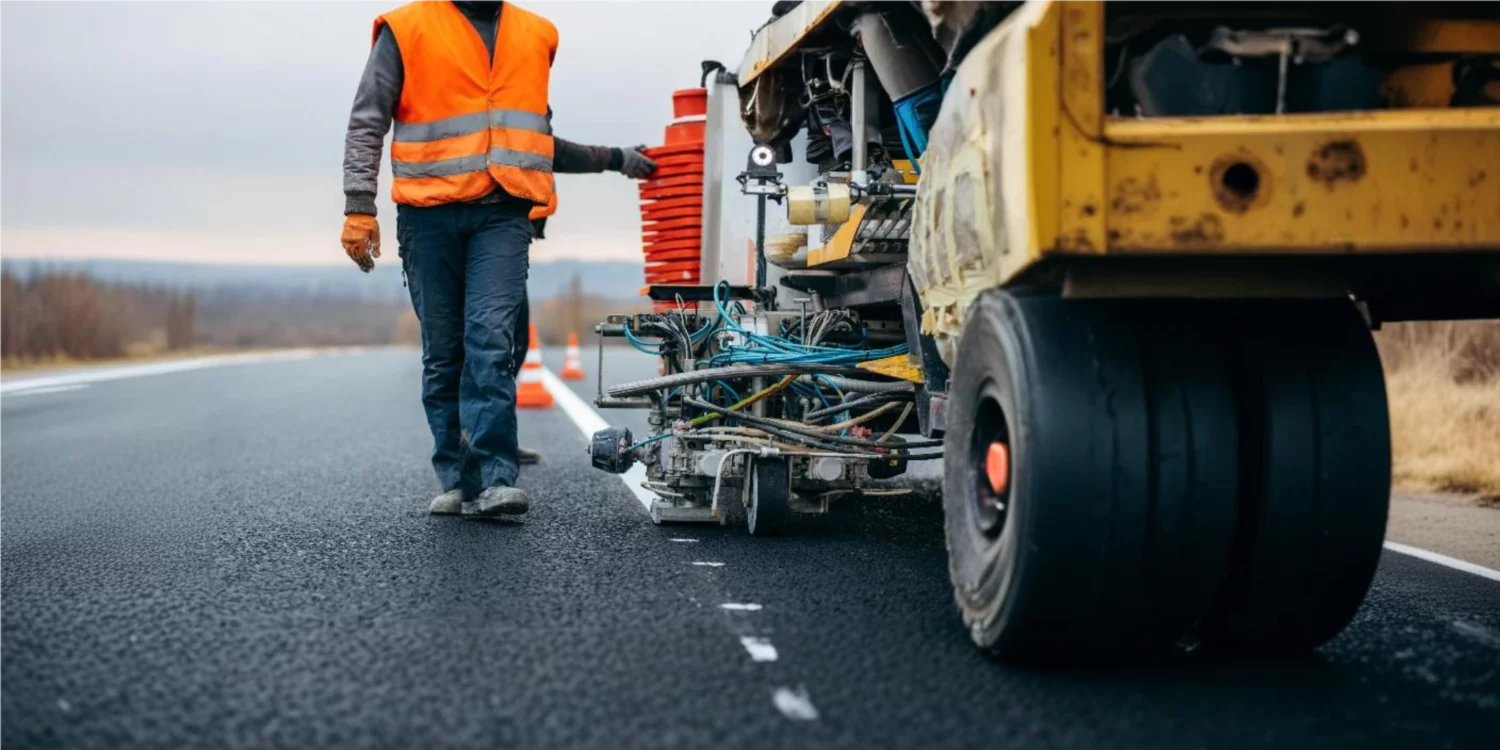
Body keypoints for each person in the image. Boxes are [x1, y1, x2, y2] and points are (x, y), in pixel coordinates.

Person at [340, 0, 655, 517]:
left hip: (502, 215)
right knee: (444, 352)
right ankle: (456, 477)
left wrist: (614, 159)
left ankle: (494, 479)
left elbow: (537, 140)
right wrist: (359, 205)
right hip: (427, 216)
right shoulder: (407, 29)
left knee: (490, 339)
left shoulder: (535, 35)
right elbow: (367, 119)